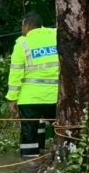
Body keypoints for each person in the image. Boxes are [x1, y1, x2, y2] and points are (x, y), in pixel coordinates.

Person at [6, 12, 59, 158]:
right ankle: (60, 158)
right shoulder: (56, 35)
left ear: (27, 25)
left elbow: (16, 73)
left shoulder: (22, 43)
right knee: (60, 129)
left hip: (30, 99)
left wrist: (12, 99)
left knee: (29, 134)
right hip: (56, 96)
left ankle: (29, 166)